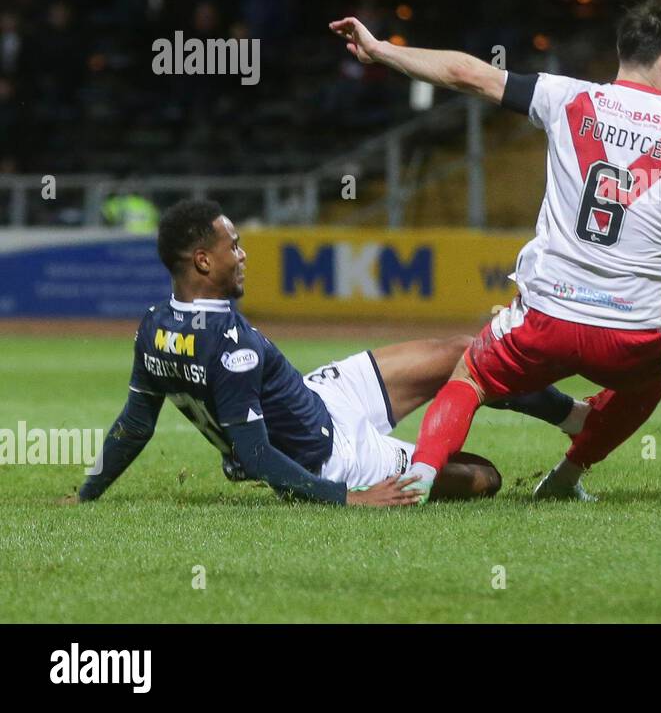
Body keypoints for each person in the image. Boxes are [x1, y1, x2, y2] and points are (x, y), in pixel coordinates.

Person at [329, 0, 661, 504]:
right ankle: (567, 477)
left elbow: (468, 73)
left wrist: (381, 50)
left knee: (472, 377)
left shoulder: (566, 98)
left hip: (546, 319)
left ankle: (419, 477)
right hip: (630, 334)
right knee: (659, 368)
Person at [72, 199, 584, 508]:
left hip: (319, 395)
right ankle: (577, 426)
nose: (244, 254)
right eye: (235, 246)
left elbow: (135, 424)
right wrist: (349, 498)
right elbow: (255, 455)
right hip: (335, 458)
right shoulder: (229, 347)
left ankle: (575, 419)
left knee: (462, 352)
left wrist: (85, 493)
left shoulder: (153, 325)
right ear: (203, 260)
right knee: (484, 478)